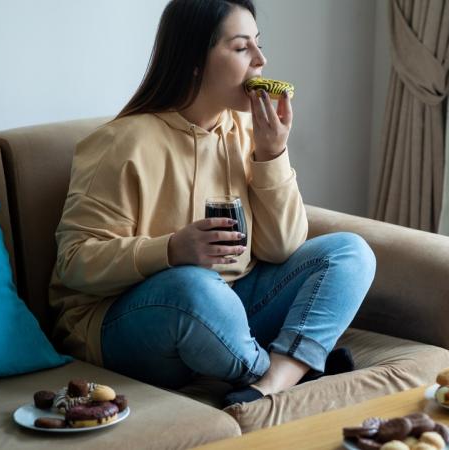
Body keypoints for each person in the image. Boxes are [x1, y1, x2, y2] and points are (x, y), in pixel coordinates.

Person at [49, 0, 376, 407]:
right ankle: (293, 368)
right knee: (195, 286)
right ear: (195, 61)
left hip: (230, 306)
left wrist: (272, 155)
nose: (261, 59)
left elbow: (281, 248)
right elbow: (75, 263)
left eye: (258, 44)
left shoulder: (244, 129)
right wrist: (170, 250)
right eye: (242, 48)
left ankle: (276, 379)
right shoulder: (121, 144)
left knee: (350, 252)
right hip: (129, 323)